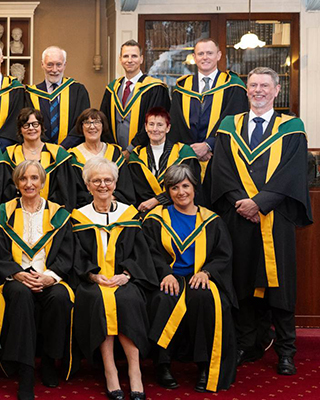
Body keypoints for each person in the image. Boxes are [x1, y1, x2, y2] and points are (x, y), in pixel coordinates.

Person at [211, 67, 312, 376]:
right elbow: (222, 167)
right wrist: (241, 202)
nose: (258, 90)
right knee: (241, 280)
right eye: (253, 85)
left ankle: (285, 350)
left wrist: (260, 203)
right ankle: (247, 343)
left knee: (279, 283)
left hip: (275, 218)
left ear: (276, 90)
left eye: (264, 86)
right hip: (238, 216)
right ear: (246, 91)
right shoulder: (230, 126)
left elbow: (293, 171)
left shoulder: (292, 127)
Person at [143, 164, 237, 392]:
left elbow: (223, 255)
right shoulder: (156, 218)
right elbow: (149, 252)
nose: (181, 192)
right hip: (167, 278)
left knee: (206, 299)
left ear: (194, 188)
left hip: (199, 278)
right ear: (168, 191)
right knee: (163, 299)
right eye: (174, 187)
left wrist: (207, 272)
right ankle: (162, 364)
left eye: (185, 186)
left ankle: (205, 366)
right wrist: (166, 273)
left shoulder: (211, 220)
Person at [71, 157, 158, 400]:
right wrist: (92, 275)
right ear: (87, 185)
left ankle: (134, 370)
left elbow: (141, 253)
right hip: (92, 282)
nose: (102, 185)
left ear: (116, 183)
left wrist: (126, 275)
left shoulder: (129, 215)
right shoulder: (79, 217)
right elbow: (75, 255)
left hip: (125, 279)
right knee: (98, 300)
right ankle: (110, 370)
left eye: (107, 180)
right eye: (96, 180)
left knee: (127, 300)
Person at [0, 160, 77, 400]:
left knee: (60, 297)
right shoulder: (3, 212)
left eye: (34, 178)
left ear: (42, 182)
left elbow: (66, 254)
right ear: (16, 183)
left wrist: (49, 277)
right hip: (16, 277)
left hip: (48, 275)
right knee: (20, 295)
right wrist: (17, 273)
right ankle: (26, 370)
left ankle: (50, 361)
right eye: (23, 179)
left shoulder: (58, 214)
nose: (29, 184)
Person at [169, 38, 247, 173]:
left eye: (210, 53)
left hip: (221, 157)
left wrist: (209, 145)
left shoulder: (233, 85)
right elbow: (177, 122)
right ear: (194, 57)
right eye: (200, 54)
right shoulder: (182, 87)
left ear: (219, 55)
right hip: (187, 157)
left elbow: (236, 121)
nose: (205, 57)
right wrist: (192, 150)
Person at [100, 40, 170, 152]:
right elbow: (104, 121)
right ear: (120, 59)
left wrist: (131, 149)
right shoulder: (112, 88)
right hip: (115, 153)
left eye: (134, 56)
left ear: (141, 59)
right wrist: (114, 150)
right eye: (125, 56)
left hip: (144, 152)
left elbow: (155, 123)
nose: (129, 60)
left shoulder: (155, 88)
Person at [5, 107, 81, 210]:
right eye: (26, 125)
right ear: (20, 130)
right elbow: (6, 189)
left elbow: (66, 191)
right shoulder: (10, 155)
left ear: (41, 127)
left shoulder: (57, 154)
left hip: (51, 213)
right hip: (17, 212)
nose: (31, 128)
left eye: (35, 124)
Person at [127, 107, 200, 212]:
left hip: (180, 208)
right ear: (146, 127)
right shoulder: (137, 156)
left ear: (168, 128)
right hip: (147, 211)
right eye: (151, 124)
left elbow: (191, 186)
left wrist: (157, 200)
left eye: (160, 125)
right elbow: (139, 189)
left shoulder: (183, 153)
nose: (155, 129)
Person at [25, 46, 90, 148]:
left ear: (65, 65)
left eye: (58, 65)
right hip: (40, 150)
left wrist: (64, 146)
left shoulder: (78, 91)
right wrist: (47, 147)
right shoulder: (31, 94)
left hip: (71, 151)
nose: (54, 70)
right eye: (50, 65)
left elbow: (82, 122)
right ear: (42, 65)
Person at [68, 109, 135, 207]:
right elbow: (73, 192)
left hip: (116, 207)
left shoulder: (115, 153)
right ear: (81, 127)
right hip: (85, 211)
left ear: (103, 126)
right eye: (87, 122)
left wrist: (108, 199)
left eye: (97, 122)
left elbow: (126, 188)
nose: (92, 126)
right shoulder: (72, 157)